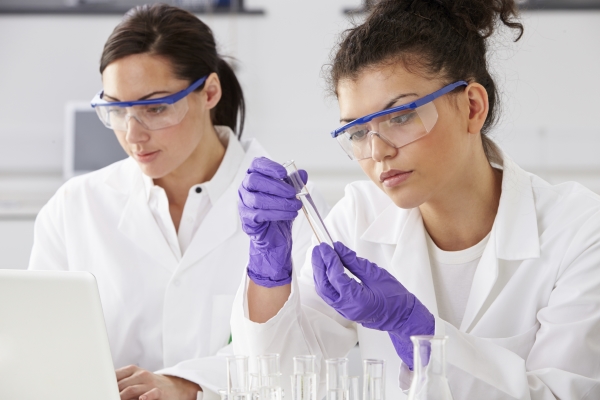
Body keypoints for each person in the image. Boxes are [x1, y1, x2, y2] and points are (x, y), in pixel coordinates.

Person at [232, 0, 600, 399]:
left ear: (472, 108)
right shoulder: (358, 217)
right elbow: (280, 383)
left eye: (401, 116)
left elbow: (566, 394)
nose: (378, 151)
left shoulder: (579, 231)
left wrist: (415, 330)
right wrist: (268, 272)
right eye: (357, 132)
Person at [28, 4, 326, 400]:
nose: (134, 134)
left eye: (154, 108)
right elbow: (41, 346)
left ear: (209, 93)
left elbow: (309, 350)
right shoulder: (75, 208)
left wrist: (188, 384)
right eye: (117, 110)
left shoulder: (286, 205)